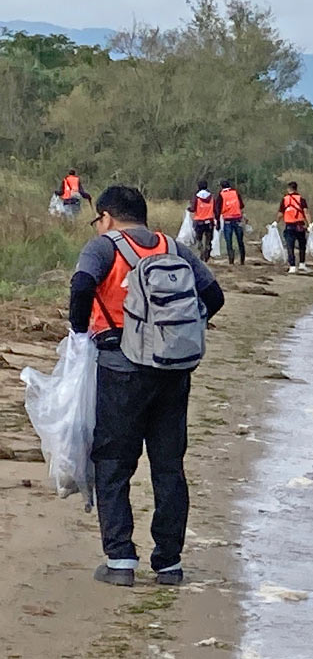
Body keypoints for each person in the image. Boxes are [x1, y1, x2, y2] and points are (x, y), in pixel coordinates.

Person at [69, 186, 224, 587]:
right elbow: (215, 296)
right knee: (169, 466)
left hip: (121, 368)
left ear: (106, 216)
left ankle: (121, 560)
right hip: (174, 370)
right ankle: (169, 563)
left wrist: (82, 331)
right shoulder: (174, 248)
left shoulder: (102, 248)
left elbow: (81, 287)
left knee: (114, 463)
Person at [277, 181, 310, 273]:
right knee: (302, 245)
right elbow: (306, 212)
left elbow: (280, 213)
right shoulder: (301, 199)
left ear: (288, 189)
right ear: (296, 188)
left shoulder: (285, 199)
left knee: (290, 246)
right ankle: (302, 264)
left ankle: (292, 266)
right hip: (300, 225)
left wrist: (276, 222)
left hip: (289, 225)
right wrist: (309, 224)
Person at [215, 180, 246, 265]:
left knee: (229, 241)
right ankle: (242, 260)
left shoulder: (221, 195)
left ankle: (231, 261)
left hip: (227, 220)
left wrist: (217, 222)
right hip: (238, 219)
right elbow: (242, 205)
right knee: (240, 240)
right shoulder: (235, 193)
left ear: (221, 186)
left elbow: (217, 210)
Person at [187, 181, 215, 263]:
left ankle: (201, 250)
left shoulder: (196, 197)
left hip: (199, 221)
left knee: (198, 239)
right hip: (209, 221)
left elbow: (193, 209)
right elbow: (215, 208)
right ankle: (207, 250)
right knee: (209, 239)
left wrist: (188, 209)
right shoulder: (212, 197)